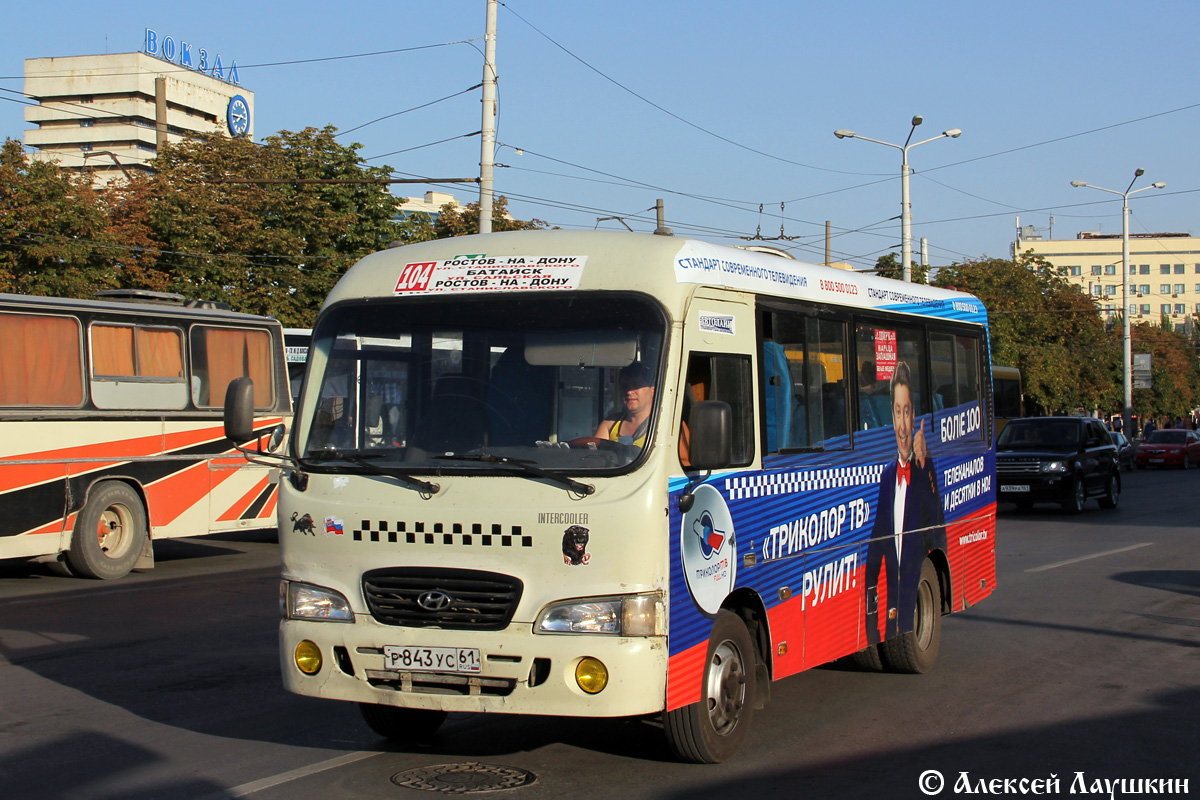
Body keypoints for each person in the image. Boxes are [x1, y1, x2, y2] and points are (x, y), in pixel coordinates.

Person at [864, 360, 945, 646]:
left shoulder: (924, 472)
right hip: (888, 621)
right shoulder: (887, 477)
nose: (901, 424)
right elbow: (874, 553)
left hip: (907, 613)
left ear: (914, 417)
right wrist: (870, 632)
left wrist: (925, 468)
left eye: (907, 411)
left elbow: (938, 530)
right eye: (897, 412)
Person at [595, 362, 656, 448]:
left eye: (636, 385)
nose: (629, 391)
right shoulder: (609, 424)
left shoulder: (662, 425)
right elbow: (594, 457)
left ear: (653, 390)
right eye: (625, 386)